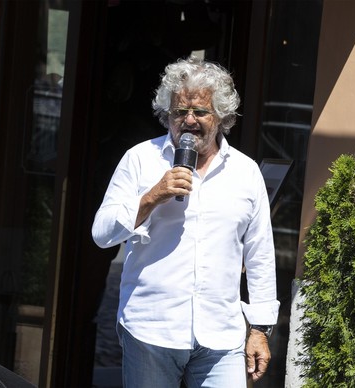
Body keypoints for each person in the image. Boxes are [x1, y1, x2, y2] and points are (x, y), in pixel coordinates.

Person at [92, 56, 279, 387]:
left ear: (221, 117)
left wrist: (260, 329)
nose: (189, 120)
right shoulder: (140, 159)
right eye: (180, 112)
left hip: (221, 337)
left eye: (200, 112)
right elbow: (102, 234)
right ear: (168, 115)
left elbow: (260, 254)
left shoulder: (245, 172)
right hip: (151, 328)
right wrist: (152, 197)